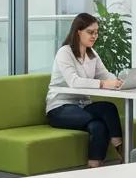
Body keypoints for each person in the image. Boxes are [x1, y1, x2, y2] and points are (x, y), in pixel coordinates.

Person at [45, 12, 124, 168]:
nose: (94, 36)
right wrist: (103, 84)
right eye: (90, 32)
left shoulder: (91, 53)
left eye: (96, 32)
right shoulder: (65, 52)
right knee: (101, 119)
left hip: (82, 106)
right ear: (78, 32)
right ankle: (123, 152)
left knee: (102, 119)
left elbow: (105, 74)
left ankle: (94, 167)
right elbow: (74, 82)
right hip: (60, 109)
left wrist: (117, 81)